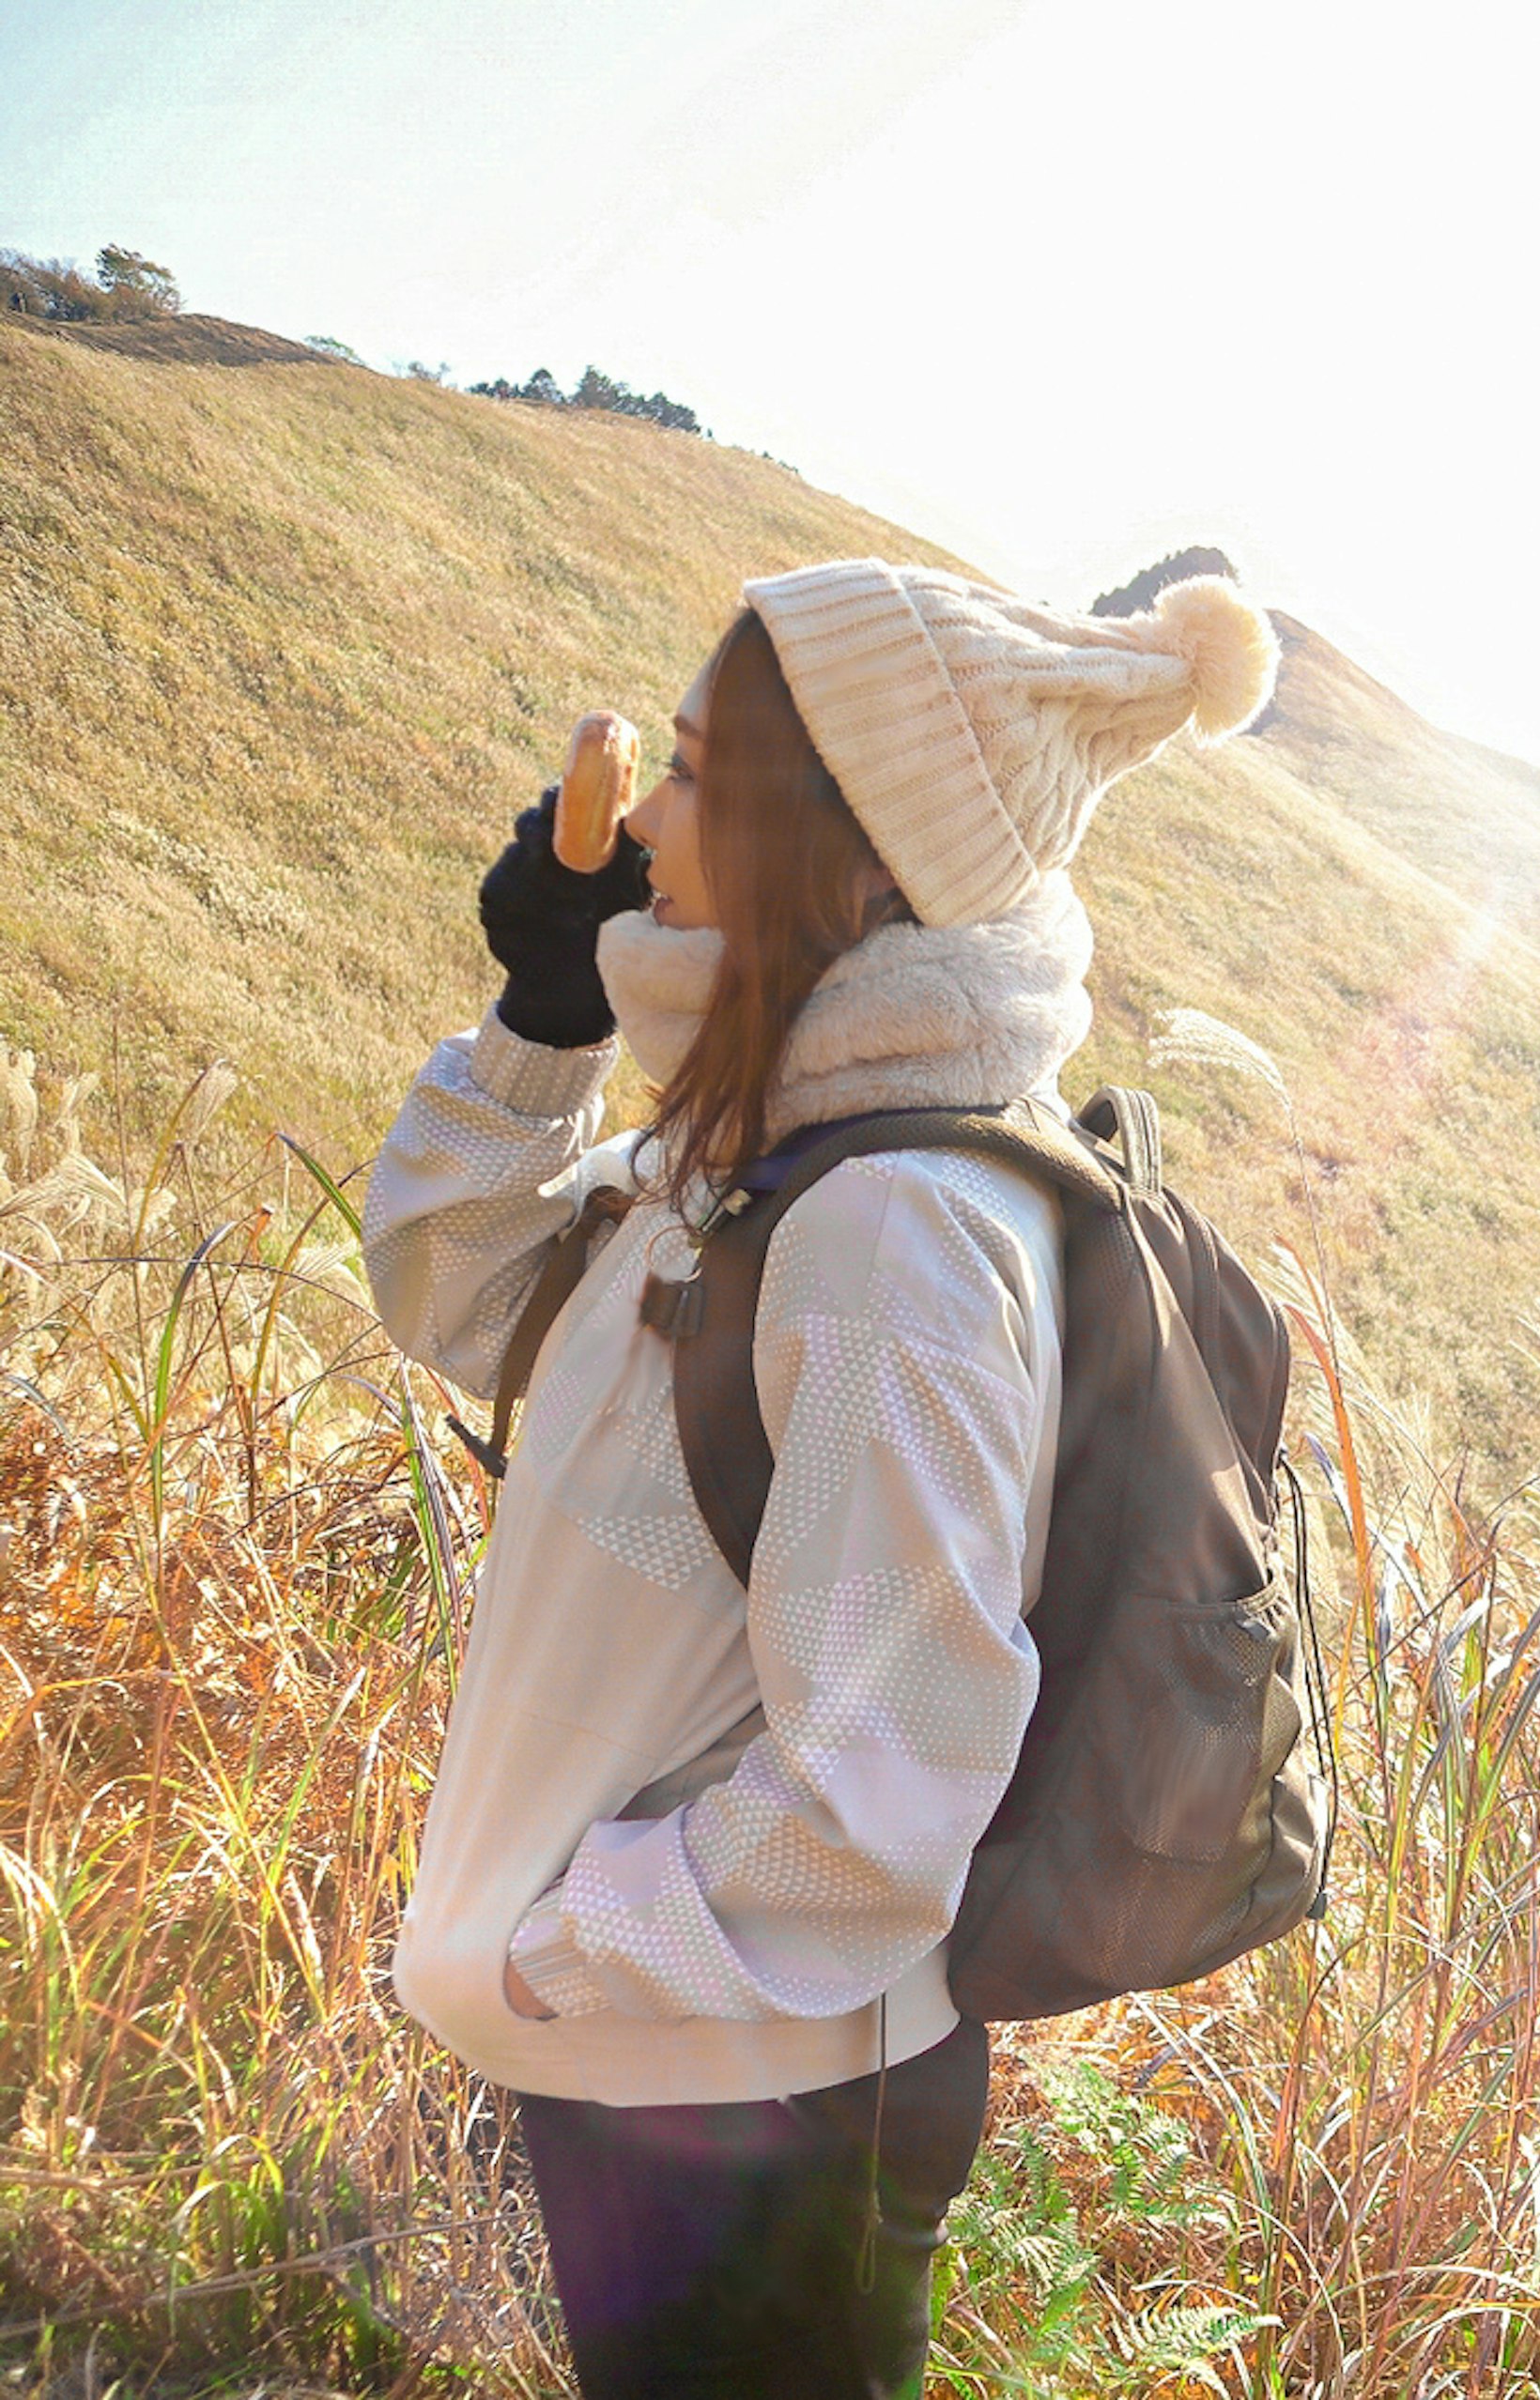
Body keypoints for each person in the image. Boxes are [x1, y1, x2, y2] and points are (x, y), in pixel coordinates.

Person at [363, 558, 1277, 2396]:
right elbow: (463, 1310)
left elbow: (892, 1781)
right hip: (678, 2063)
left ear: (863, 866)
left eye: (702, 774)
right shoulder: (764, 1145)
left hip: (755, 2108)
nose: (648, 820)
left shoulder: (890, 1235)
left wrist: (567, 1948)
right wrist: (551, 1012)